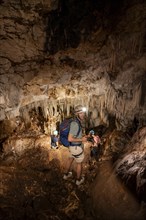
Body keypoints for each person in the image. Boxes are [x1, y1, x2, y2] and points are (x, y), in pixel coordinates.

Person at [63, 105, 88, 185]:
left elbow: (74, 135)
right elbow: (70, 138)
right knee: (79, 163)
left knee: (70, 159)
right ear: (77, 114)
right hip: (76, 147)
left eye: (83, 113)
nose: (83, 115)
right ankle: (78, 180)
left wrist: (82, 136)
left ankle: (65, 175)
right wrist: (82, 140)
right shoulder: (75, 124)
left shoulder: (75, 121)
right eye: (81, 113)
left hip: (72, 147)